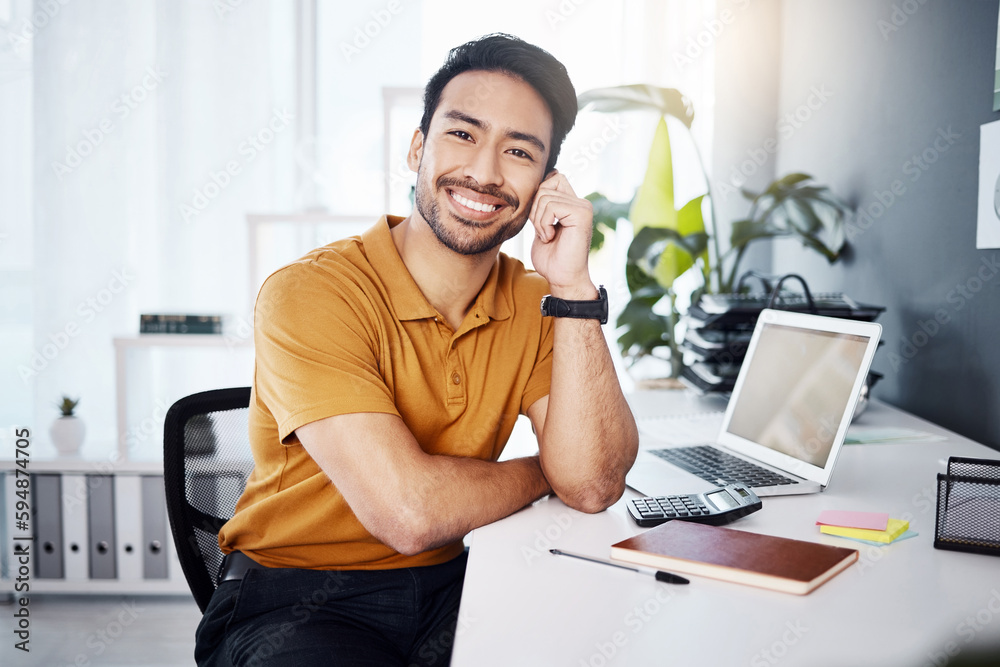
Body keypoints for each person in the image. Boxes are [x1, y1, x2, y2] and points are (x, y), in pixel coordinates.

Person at [194, 33, 639, 666]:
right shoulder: (312, 292)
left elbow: (593, 484)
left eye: (519, 151)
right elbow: (409, 514)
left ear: (546, 183)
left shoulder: (541, 300)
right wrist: (547, 472)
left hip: (450, 584)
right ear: (417, 148)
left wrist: (572, 285)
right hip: (297, 596)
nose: (485, 173)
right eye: (463, 134)